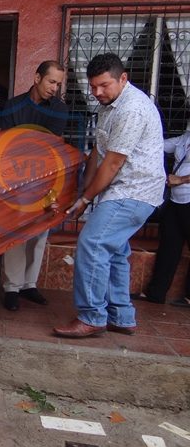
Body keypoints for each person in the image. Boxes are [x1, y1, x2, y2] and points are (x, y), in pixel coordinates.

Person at [54, 53, 165, 338]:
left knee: (92, 244)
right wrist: (84, 193)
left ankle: (92, 316)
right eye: (93, 86)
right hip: (123, 190)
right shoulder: (109, 105)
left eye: (104, 85)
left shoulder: (131, 109)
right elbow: (99, 153)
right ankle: (121, 316)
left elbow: (113, 163)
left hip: (134, 190)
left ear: (123, 78)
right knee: (114, 251)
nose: (97, 92)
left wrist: (86, 199)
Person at [0, 60, 68, 311]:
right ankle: (12, 288)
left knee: (40, 233)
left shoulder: (60, 109)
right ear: (37, 77)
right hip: (15, 178)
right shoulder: (13, 105)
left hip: (47, 177)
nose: (54, 88)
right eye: (51, 82)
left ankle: (29, 284)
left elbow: (51, 144)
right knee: (15, 232)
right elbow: (6, 142)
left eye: (58, 84)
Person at [133, 129, 190, 307]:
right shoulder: (185, 138)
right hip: (176, 200)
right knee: (168, 247)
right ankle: (156, 293)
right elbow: (159, 145)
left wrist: (181, 180)